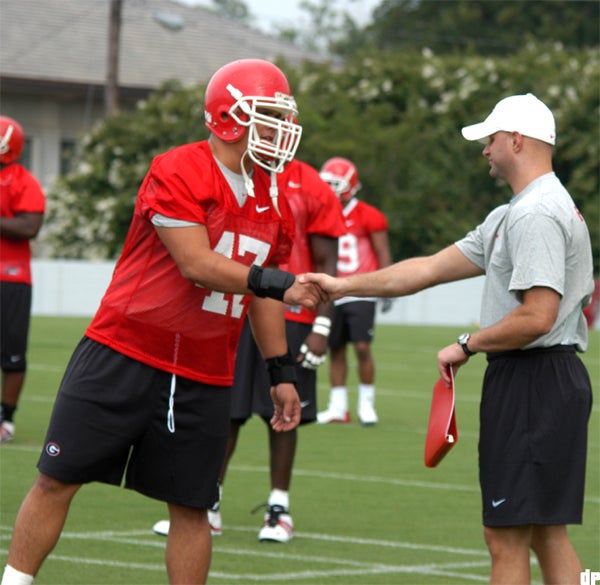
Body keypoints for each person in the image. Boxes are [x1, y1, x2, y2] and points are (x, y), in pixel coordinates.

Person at [0, 59, 325, 585]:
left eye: (280, 118)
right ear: (228, 116)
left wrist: (280, 371)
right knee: (57, 478)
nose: (277, 131)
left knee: (193, 506)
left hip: (203, 371)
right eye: (265, 116)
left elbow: (260, 291)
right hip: (125, 350)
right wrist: (277, 282)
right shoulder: (179, 168)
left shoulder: (274, 198)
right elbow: (197, 264)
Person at [301, 93, 594, 584]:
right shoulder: (515, 213)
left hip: (532, 383)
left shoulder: (535, 213)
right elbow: (427, 269)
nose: (485, 148)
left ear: (517, 141)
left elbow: (537, 316)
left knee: (505, 537)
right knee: (546, 531)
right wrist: (342, 285)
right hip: (545, 381)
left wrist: (467, 343)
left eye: (492, 138)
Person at [153, 157, 346, 542]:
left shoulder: (311, 185)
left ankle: (279, 507)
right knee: (227, 412)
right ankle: (209, 501)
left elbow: (326, 263)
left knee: (286, 413)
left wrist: (322, 326)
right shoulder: (230, 176)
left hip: (292, 314)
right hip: (237, 307)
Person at [316, 157, 393, 426]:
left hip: (361, 290)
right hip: (332, 291)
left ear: (350, 185)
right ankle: (338, 407)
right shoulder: (322, 212)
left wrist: (387, 287)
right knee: (334, 348)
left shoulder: (369, 215)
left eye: (335, 184)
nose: (331, 189)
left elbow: (382, 252)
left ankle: (366, 405)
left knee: (362, 347)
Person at [0, 116, 46, 444]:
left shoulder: (23, 181)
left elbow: (29, 227)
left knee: (12, 353)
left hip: (10, 276)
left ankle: (6, 418)